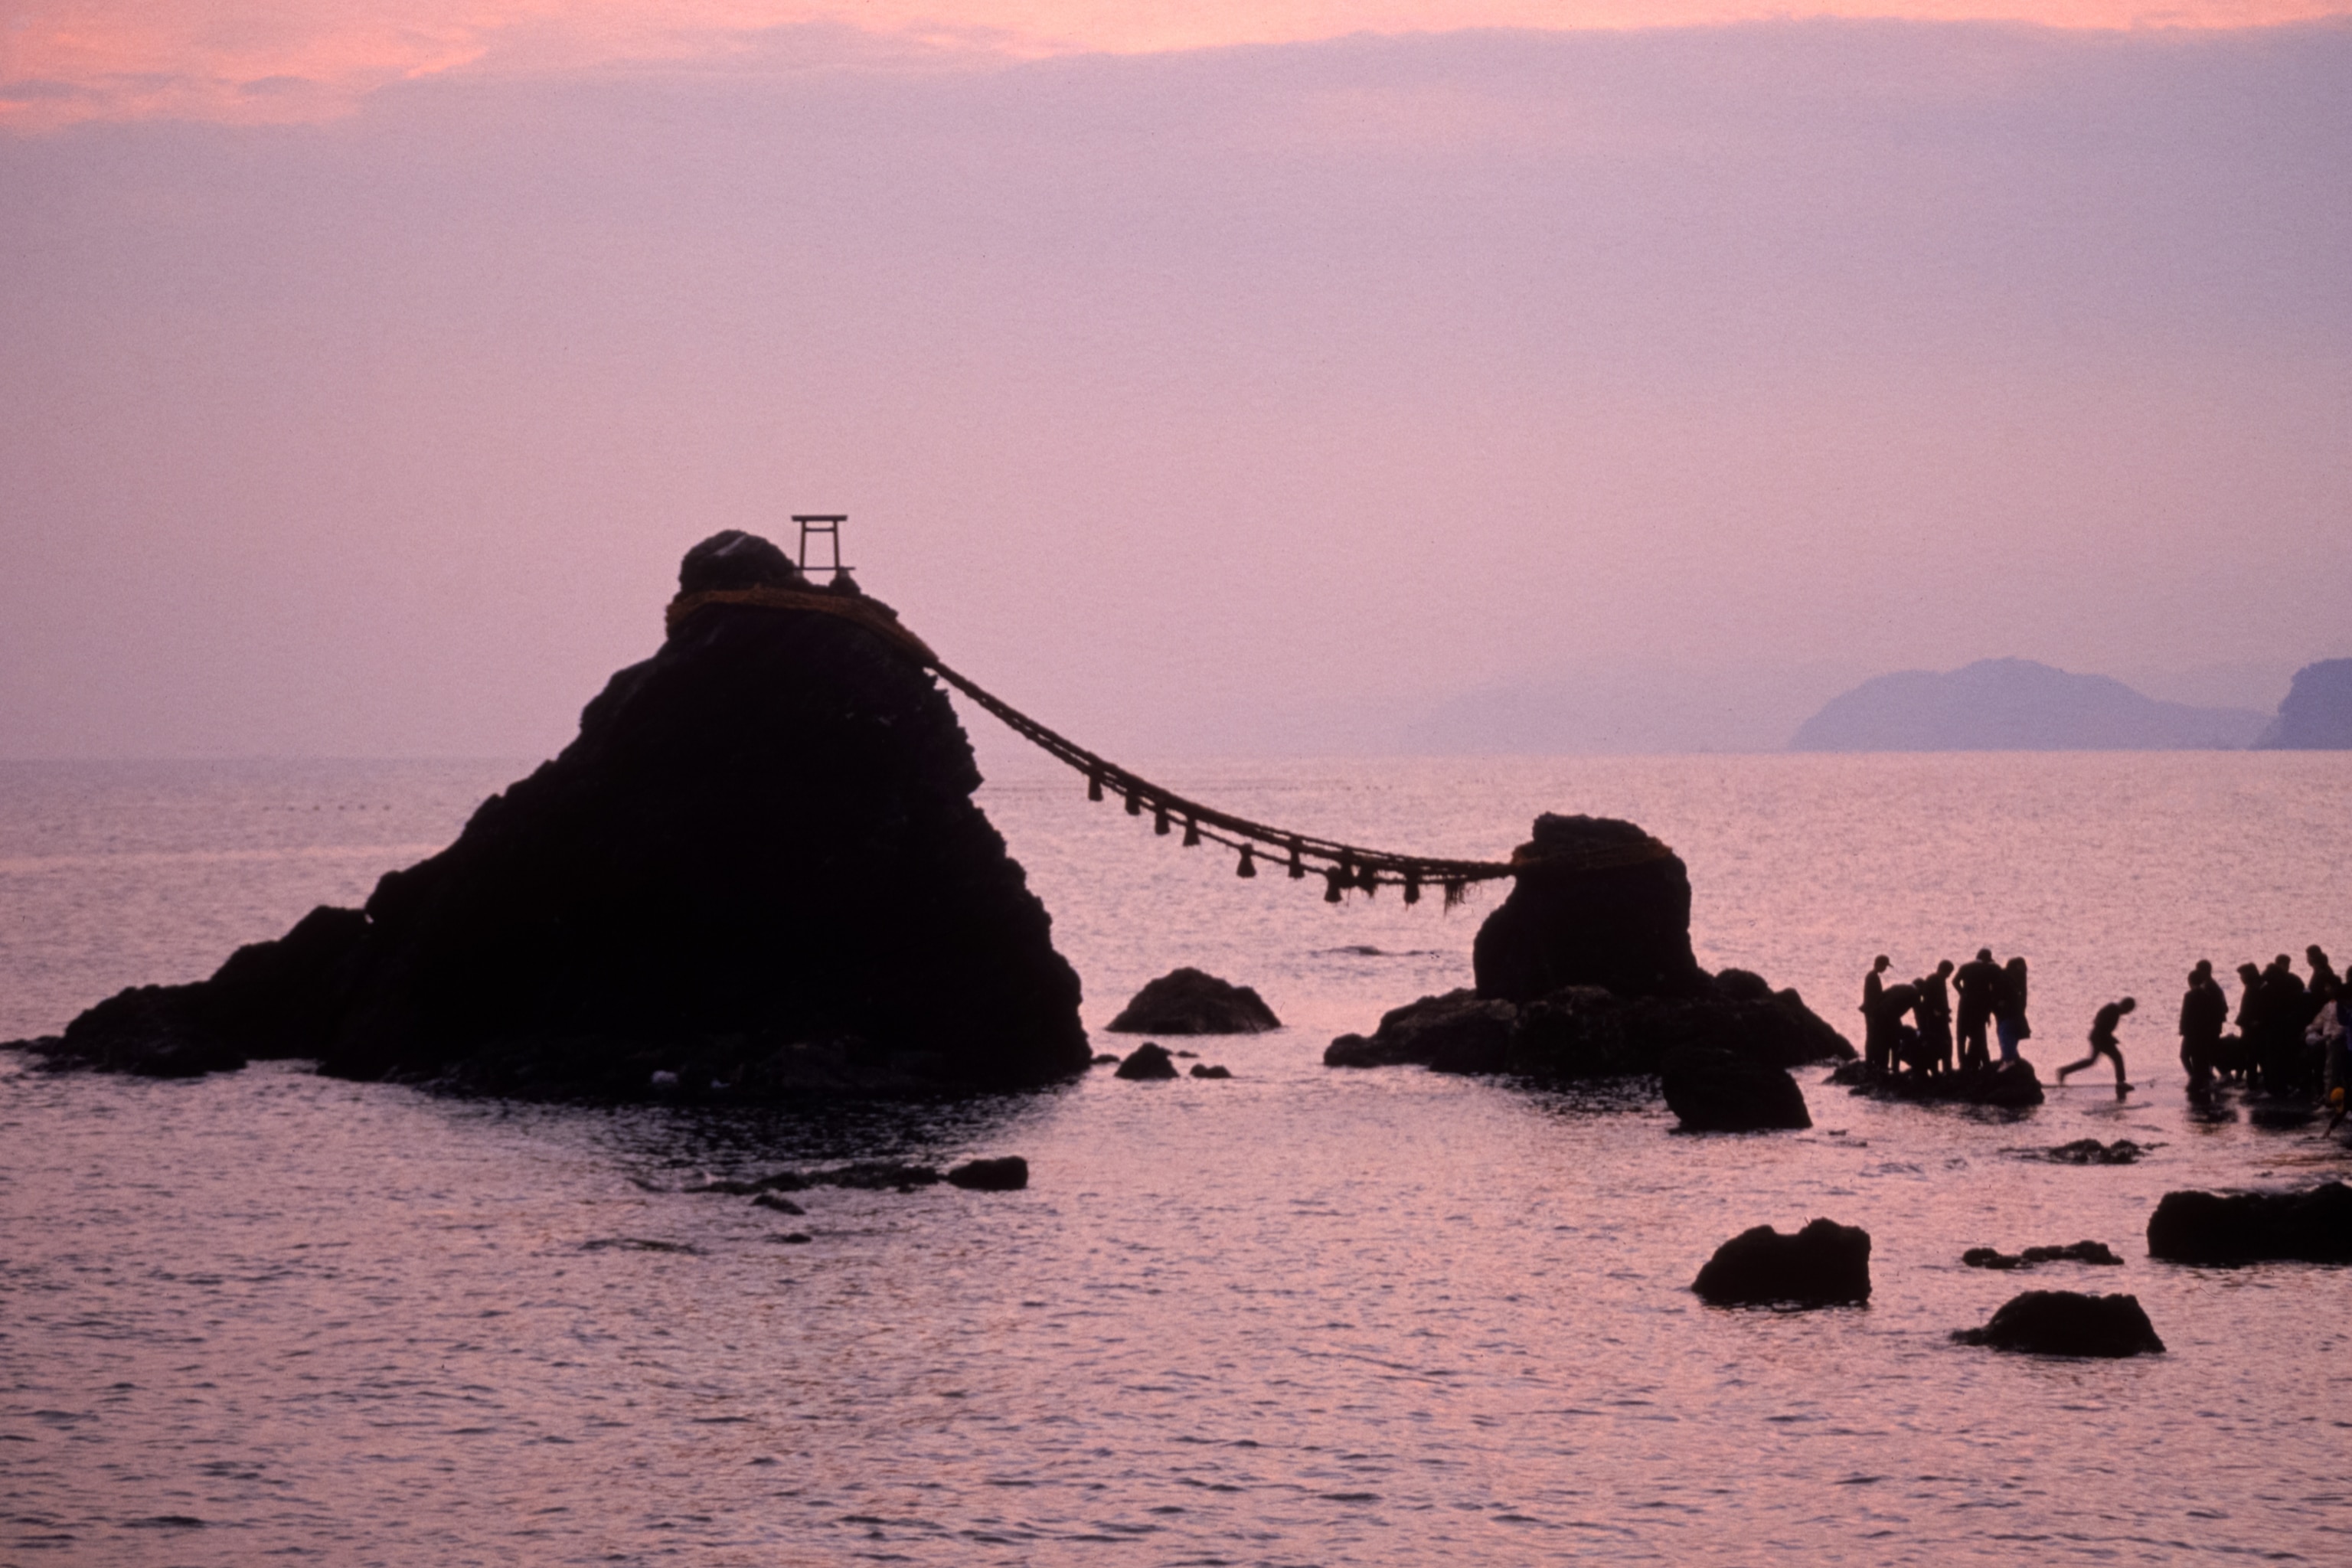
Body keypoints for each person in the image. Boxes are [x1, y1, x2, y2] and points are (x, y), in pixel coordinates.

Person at [2058, 996, 2135, 1092]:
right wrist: (2110, 1038)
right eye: (2128, 1010)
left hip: (2100, 1038)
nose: (2127, 1013)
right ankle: (2121, 1083)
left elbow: (2100, 1023)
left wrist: (2111, 1038)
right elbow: (2100, 1024)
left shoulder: (2114, 1010)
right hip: (2100, 1038)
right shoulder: (2113, 1010)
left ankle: (2064, 1071)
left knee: (2092, 1060)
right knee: (2117, 1057)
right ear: (2125, 1006)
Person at [2177, 959, 2229, 1095]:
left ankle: (2197, 1077)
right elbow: (2223, 1009)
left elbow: (2186, 1014)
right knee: (2205, 1055)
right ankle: (2204, 1077)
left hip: (2201, 1031)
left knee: (2193, 1055)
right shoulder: (2209, 990)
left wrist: (2183, 1029)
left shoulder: (2207, 989)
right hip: (2206, 1029)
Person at [1953, 949, 2002, 1071]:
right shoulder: (1988, 970)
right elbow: (1992, 990)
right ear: (1986, 959)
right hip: (1980, 1008)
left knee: (1961, 1036)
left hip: (1964, 1006)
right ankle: (1985, 1063)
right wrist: (1989, 1011)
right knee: (1980, 1036)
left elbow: (1955, 981)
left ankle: (1963, 1063)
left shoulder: (1966, 967)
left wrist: (1963, 993)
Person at [1914, 959, 1955, 1075]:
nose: (1948, 976)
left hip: (1940, 1017)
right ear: (1942, 970)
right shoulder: (1933, 980)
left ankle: (1946, 1068)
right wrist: (1936, 1011)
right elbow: (1928, 999)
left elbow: (1942, 999)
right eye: (1948, 973)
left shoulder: (1940, 980)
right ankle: (1940, 1069)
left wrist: (1946, 1013)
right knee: (1939, 1043)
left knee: (1945, 1043)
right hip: (1934, 1019)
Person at [1994, 956, 2031, 1063]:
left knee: (2006, 1032)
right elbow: (2023, 996)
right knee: (2009, 1032)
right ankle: (2009, 1056)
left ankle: (2008, 1056)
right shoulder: (2014, 977)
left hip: (2007, 1012)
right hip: (2012, 1011)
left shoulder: (2007, 975)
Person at [1860, 955, 1893, 1073]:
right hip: (1872, 1012)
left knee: (1872, 1036)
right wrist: (1873, 1014)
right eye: (1885, 966)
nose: (1885, 969)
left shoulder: (1872, 976)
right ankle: (1870, 1061)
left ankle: (1871, 1061)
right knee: (1872, 1036)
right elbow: (1872, 998)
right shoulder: (1873, 977)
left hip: (1871, 1011)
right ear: (1879, 965)